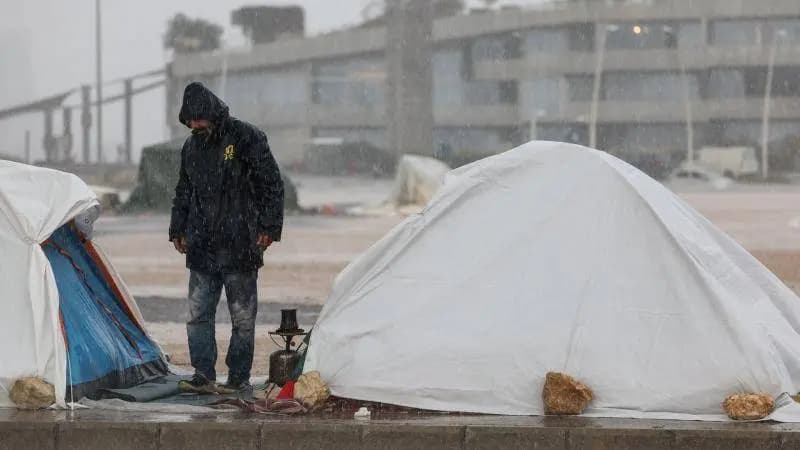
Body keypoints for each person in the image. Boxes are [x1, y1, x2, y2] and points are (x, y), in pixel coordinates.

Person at [169, 82, 284, 393]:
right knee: (197, 317)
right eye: (189, 121)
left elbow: (272, 183)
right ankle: (203, 375)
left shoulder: (247, 137)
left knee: (243, 320)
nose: (194, 126)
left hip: (241, 244)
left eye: (198, 119)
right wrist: (177, 229)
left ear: (211, 113)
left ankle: (238, 378)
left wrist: (270, 227)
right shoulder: (191, 148)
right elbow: (184, 191)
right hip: (201, 247)